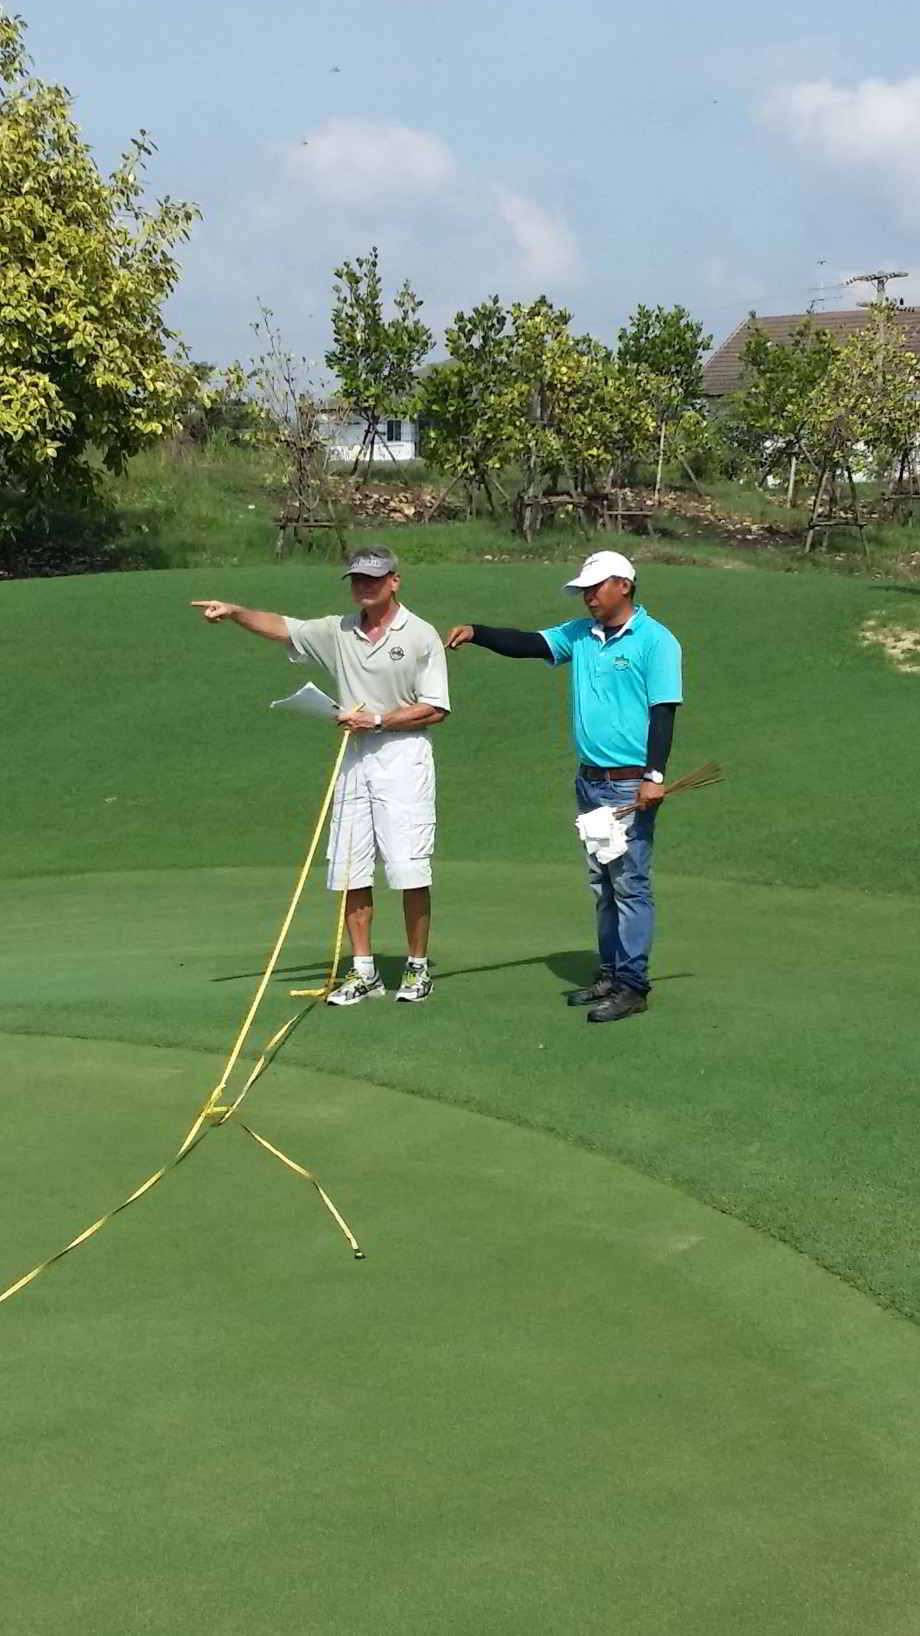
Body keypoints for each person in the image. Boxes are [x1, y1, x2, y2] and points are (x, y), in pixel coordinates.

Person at [191, 546, 450, 1006]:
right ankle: (364, 971)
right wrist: (235, 612)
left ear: (394, 580)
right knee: (350, 866)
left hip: (403, 757)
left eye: (373, 578)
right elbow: (283, 627)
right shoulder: (339, 630)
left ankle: (416, 967)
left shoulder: (421, 635)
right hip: (354, 757)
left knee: (409, 867)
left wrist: (378, 720)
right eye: (356, 579)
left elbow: (435, 707)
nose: (363, 586)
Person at [446, 550, 681, 1024]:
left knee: (630, 884)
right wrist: (477, 632)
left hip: (630, 783)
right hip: (590, 781)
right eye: (584, 590)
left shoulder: (656, 641)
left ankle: (633, 985)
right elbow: (528, 643)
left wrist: (654, 776)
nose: (588, 597)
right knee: (603, 883)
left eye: (596, 588)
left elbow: (664, 710)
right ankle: (611, 973)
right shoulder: (581, 635)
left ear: (624, 585)